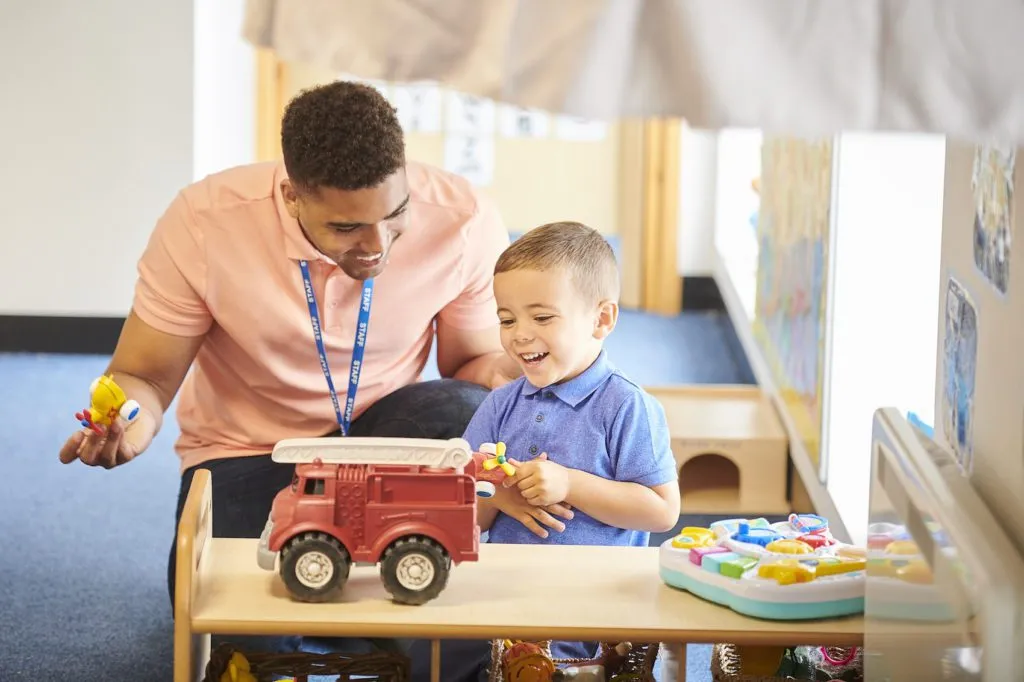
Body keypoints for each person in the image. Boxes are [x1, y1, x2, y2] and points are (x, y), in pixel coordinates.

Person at [56, 80, 522, 621]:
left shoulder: (464, 220)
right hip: (249, 450)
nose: (377, 246)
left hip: (385, 434)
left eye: (395, 214)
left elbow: (468, 366)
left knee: (469, 410)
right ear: (291, 197)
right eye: (346, 227)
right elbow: (147, 378)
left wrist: (516, 369)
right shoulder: (204, 222)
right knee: (238, 633)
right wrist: (127, 424)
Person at [409, 221, 681, 682]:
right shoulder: (499, 403)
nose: (518, 335)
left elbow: (661, 511)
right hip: (502, 595)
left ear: (602, 320)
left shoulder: (628, 406)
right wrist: (498, 498)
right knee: (430, 651)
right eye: (507, 319)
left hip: (592, 606)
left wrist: (571, 483)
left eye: (542, 317)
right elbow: (462, 510)